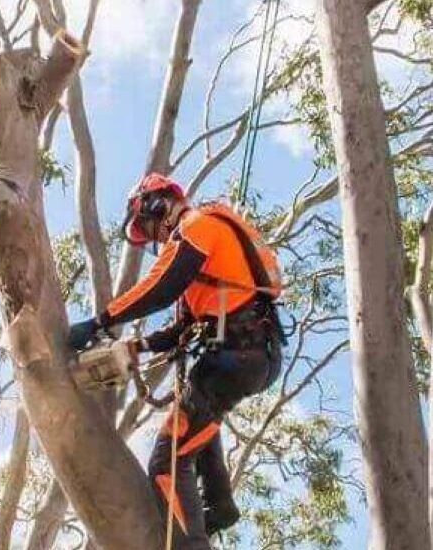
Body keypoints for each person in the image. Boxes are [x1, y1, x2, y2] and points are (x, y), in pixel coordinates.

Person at [67, 173, 285, 549]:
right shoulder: (202, 254)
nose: (154, 237)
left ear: (159, 203)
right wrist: (134, 349)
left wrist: (99, 321)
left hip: (237, 354)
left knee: (167, 461)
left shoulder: (197, 227)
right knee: (195, 419)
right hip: (249, 353)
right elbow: (178, 330)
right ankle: (219, 504)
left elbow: (159, 288)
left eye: (149, 226)